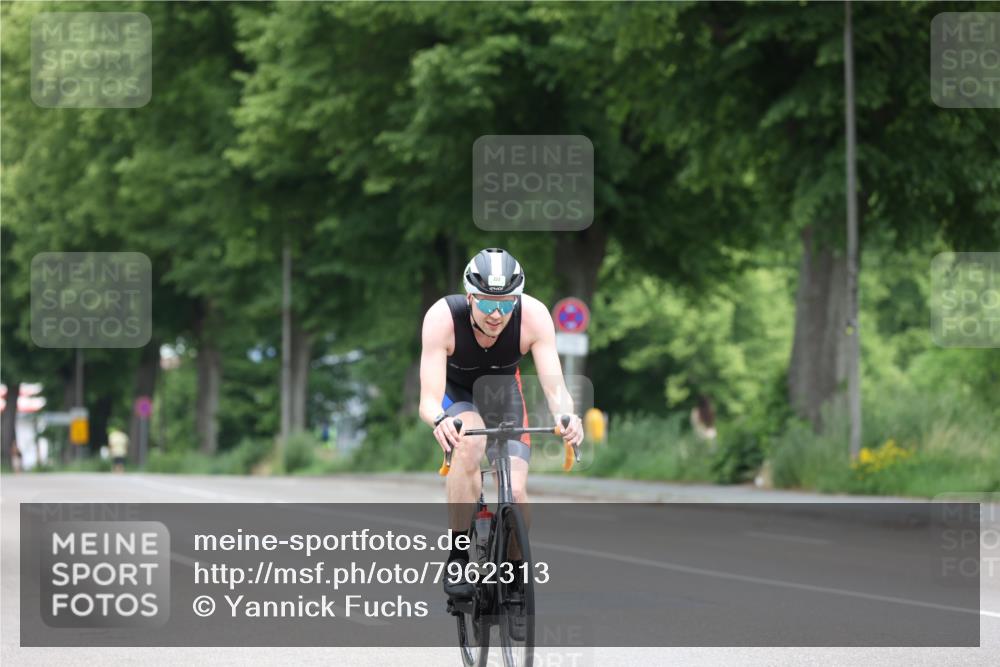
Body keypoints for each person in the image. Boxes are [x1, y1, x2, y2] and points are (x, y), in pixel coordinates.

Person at [418, 248, 584, 609]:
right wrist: (440, 420)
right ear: (469, 297)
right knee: (469, 446)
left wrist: (567, 416)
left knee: (517, 492)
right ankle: (458, 557)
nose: (497, 314)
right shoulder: (442, 318)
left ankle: (514, 574)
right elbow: (428, 399)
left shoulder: (533, 316)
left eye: (507, 304)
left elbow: (555, 387)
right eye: (487, 303)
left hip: (504, 395)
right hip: (458, 397)